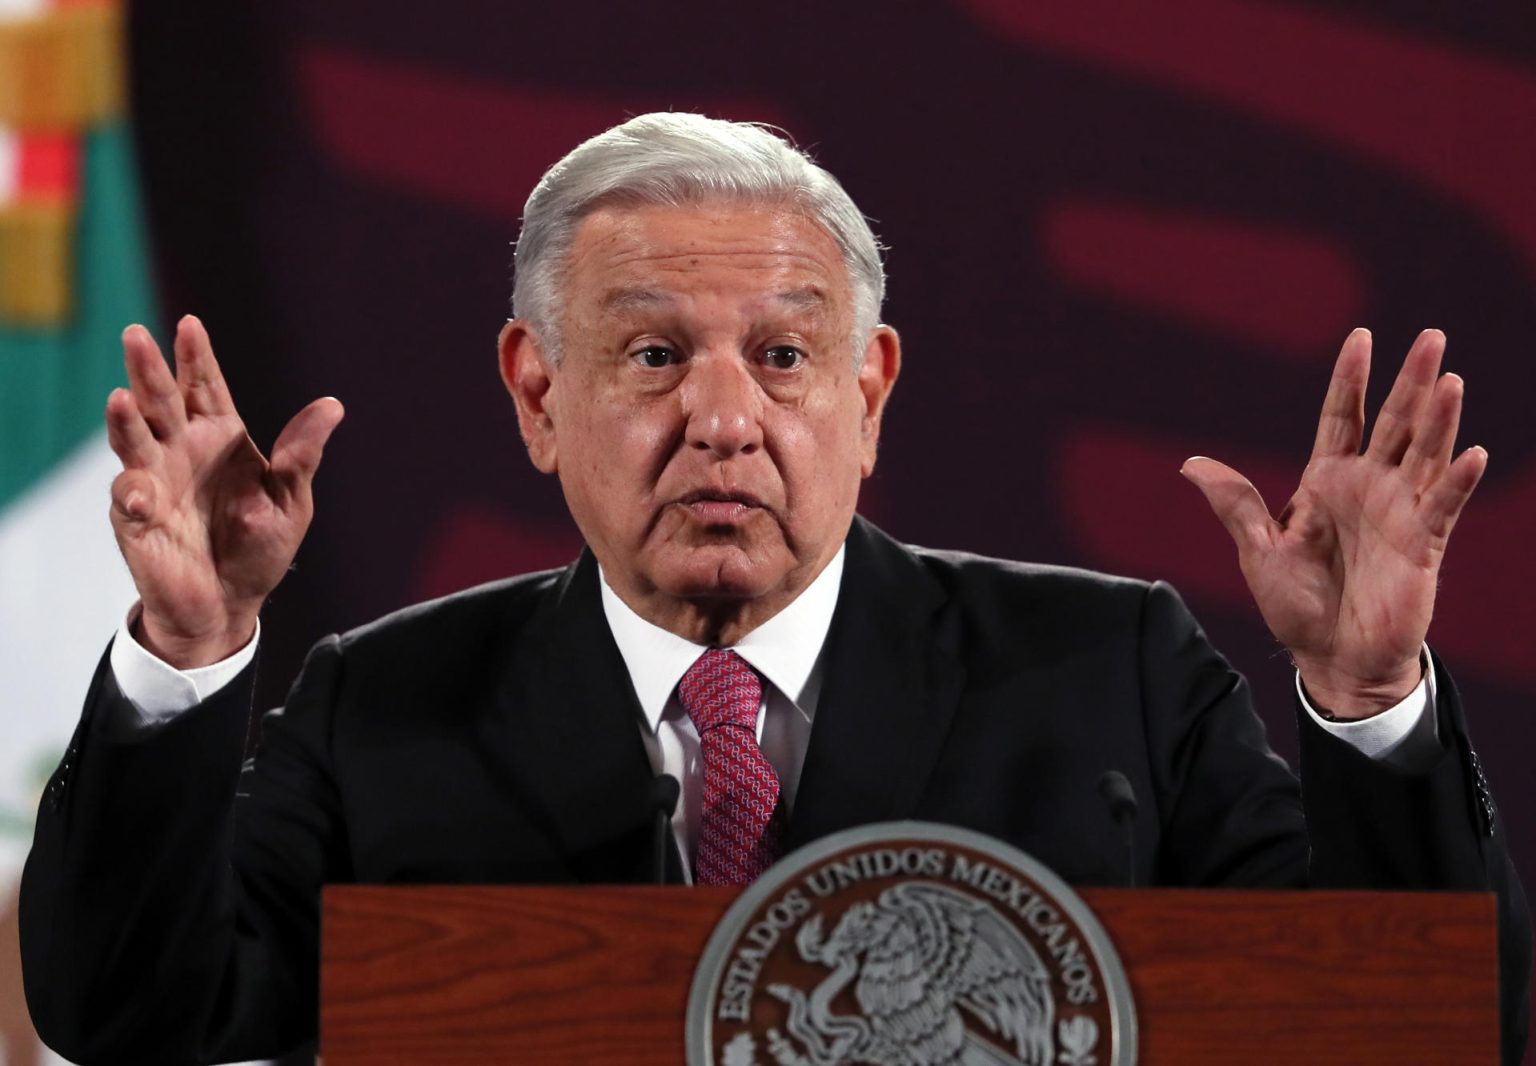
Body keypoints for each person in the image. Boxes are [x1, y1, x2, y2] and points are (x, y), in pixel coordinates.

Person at [19, 113, 1529, 1064]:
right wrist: (187, 651)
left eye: (788, 356)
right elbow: (132, 1021)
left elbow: (1435, 1026)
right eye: (658, 354)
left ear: (870, 395)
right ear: (538, 394)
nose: (726, 417)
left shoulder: (1105, 672)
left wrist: (1372, 702)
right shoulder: (382, 705)